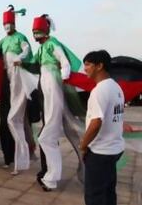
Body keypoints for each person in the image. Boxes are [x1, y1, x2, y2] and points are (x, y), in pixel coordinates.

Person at [31, 14, 81, 191]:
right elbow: (32, 63)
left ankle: (51, 178)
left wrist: (65, 77)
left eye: (37, 32)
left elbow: (64, 62)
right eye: (33, 32)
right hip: (45, 83)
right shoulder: (43, 47)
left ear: (43, 32)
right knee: (46, 138)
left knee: (46, 137)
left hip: (53, 82)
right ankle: (50, 178)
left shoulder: (52, 43)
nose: (34, 36)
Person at [0, 5, 37, 174]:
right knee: (6, 119)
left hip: (19, 78)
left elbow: (27, 50)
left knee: (19, 119)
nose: (7, 27)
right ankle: (9, 157)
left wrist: (19, 58)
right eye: (5, 24)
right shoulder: (4, 40)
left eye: (9, 24)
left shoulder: (20, 37)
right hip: (7, 82)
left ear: (14, 24)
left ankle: (26, 151)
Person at [80, 50, 124, 205]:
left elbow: (96, 122)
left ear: (99, 66)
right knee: (108, 193)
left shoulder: (99, 91)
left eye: (88, 64)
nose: (85, 68)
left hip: (100, 152)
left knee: (94, 196)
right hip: (114, 150)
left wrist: (83, 145)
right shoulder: (116, 87)